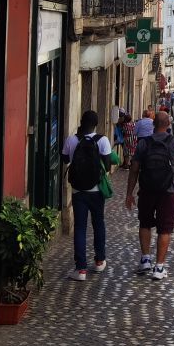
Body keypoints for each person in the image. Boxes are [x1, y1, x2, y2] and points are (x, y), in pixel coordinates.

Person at [124, 111, 174, 280]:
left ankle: (145, 260)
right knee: (165, 228)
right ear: (168, 125)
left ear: (153, 125)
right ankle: (159, 268)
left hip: (146, 190)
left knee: (145, 223)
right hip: (168, 191)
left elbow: (134, 169)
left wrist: (129, 193)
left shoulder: (143, 143)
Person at [61, 110, 112, 281]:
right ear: (96, 124)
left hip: (78, 192)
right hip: (96, 191)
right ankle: (99, 261)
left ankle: (81, 269)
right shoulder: (102, 140)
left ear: (81, 122)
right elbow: (107, 166)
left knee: (80, 228)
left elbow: (64, 159)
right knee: (98, 224)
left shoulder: (72, 140)